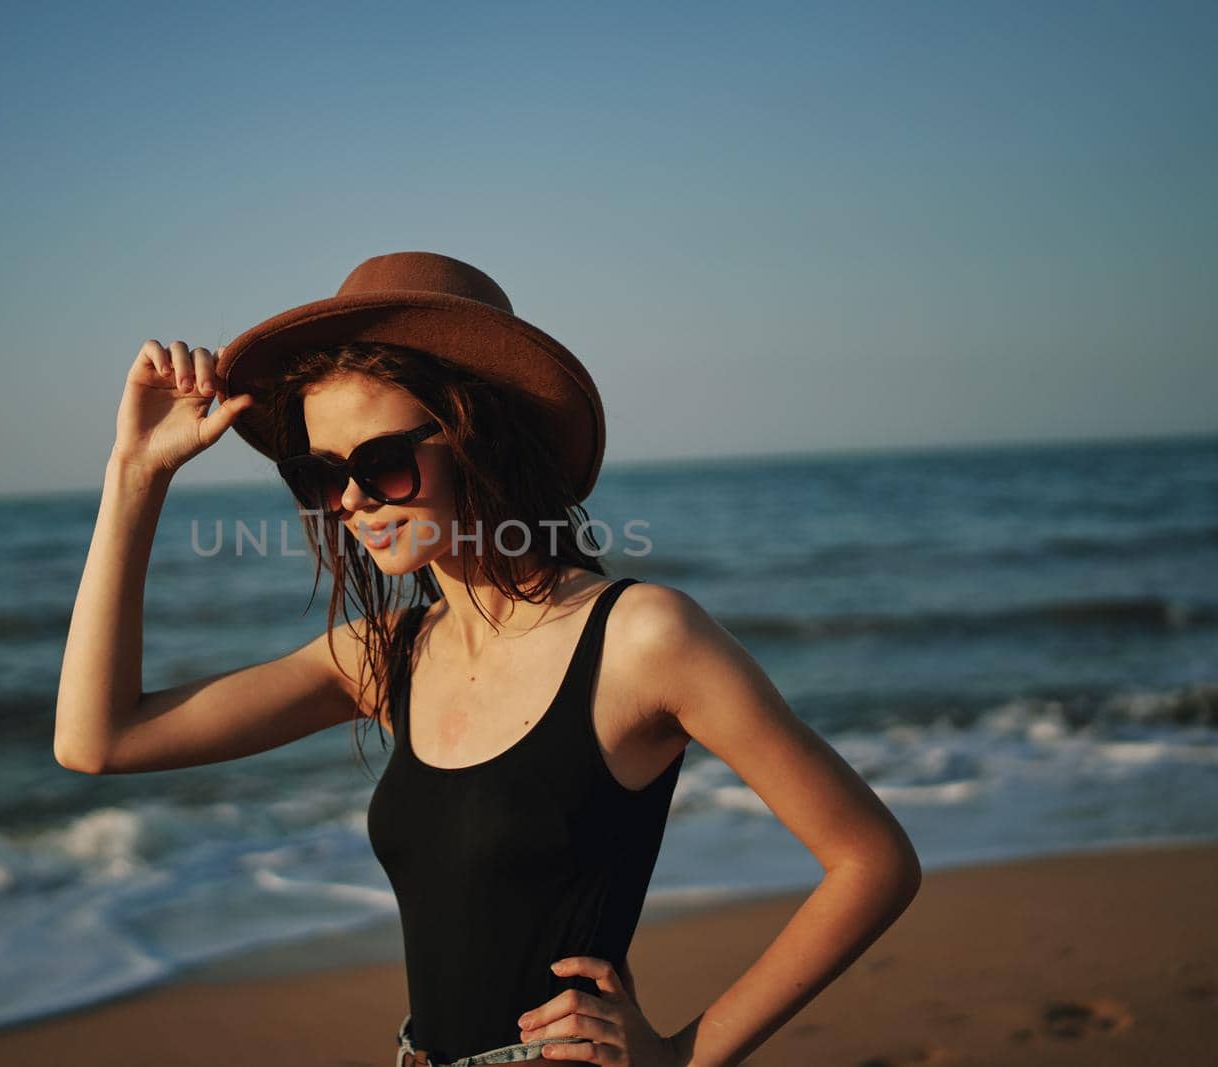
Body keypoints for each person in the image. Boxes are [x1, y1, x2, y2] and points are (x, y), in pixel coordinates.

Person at [55, 252, 922, 1067]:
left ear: (476, 434)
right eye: (321, 475)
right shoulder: (383, 655)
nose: (351, 500)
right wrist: (136, 475)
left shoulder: (643, 637)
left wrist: (682, 1055)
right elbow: (100, 739)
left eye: (383, 461)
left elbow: (871, 860)